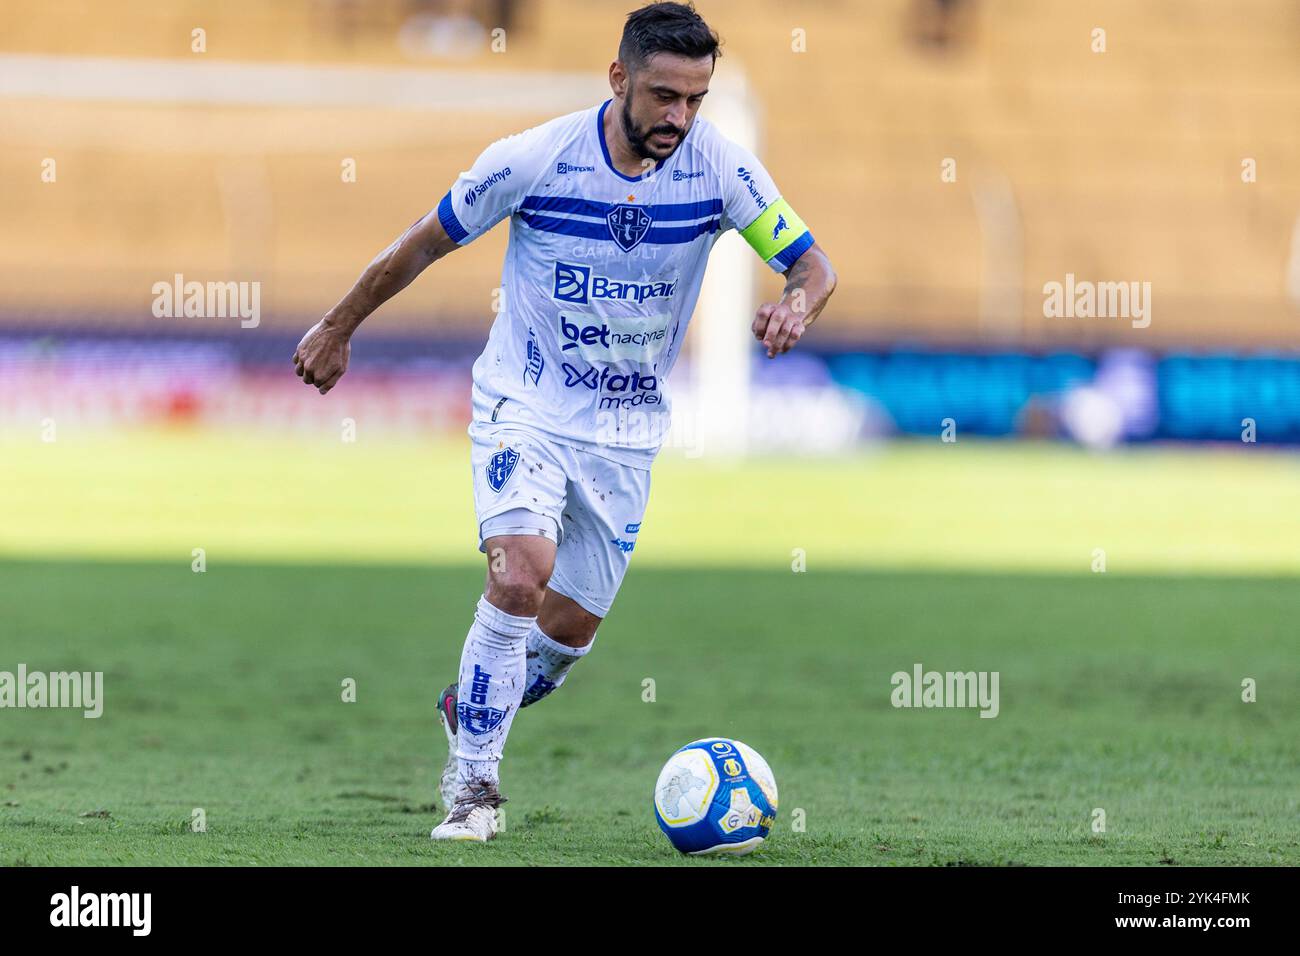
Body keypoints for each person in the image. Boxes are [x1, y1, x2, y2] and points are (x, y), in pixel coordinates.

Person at [292, 1, 836, 841]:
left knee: (568, 632)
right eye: (664, 96)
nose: (679, 117)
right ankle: (473, 788)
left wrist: (798, 301)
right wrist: (338, 326)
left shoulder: (722, 170)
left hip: (624, 435)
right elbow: (423, 242)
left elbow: (813, 261)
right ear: (619, 78)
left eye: (696, 100)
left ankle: (467, 703)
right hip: (527, 405)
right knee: (519, 574)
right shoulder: (536, 158)